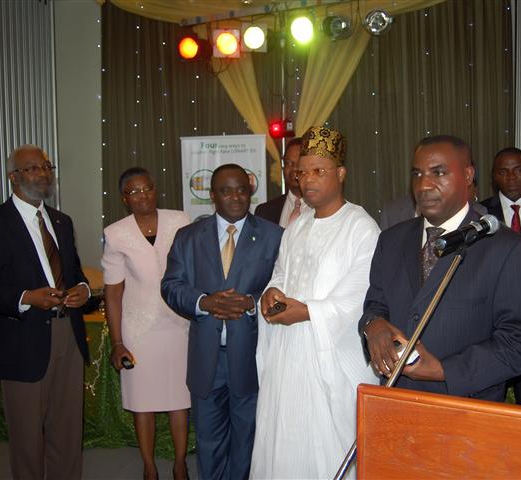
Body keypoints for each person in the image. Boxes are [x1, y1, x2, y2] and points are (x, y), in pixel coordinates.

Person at [359, 135, 521, 402]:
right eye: (417, 174)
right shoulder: (391, 240)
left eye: (438, 173)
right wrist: (373, 326)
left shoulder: (507, 248)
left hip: (464, 407)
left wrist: (446, 371)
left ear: (468, 175)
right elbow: (375, 305)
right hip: (396, 402)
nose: (423, 185)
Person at [251, 127, 380, 479]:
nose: (307, 180)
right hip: (287, 352)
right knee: (285, 439)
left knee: (327, 446)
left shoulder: (361, 228)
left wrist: (308, 312)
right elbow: (281, 273)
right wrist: (271, 293)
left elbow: (360, 295)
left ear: (341, 173)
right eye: (301, 172)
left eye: (318, 171)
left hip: (328, 357)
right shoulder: (298, 225)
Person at [161, 164, 282, 480]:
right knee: (209, 443)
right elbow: (171, 285)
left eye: (242, 189)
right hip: (207, 359)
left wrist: (251, 303)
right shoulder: (188, 237)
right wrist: (204, 302)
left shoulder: (274, 236)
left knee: (246, 443)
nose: (235, 197)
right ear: (212, 195)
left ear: (251, 192)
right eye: (226, 191)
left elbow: (286, 289)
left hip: (252, 358)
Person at [0, 145, 90, 479]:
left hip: (68, 335)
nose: (43, 173)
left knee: (68, 431)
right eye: (32, 168)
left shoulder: (61, 221)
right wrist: (27, 297)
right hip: (21, 339)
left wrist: (83, 291)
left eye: (46, 166)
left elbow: (76, 274)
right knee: (27, 437)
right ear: (13, 177)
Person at [102, 167, 191, 479]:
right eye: (134, 191)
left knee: (179, 399)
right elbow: (113, 292)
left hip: (178, 325)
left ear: (156, 190)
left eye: (147, 188)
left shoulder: (180, 221)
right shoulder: (115, 234)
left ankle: (180, 463)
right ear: (124, 198)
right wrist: (117, 342)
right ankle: (149, 466)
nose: (143, 196)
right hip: (138, 330)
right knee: (143, 403)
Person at [481, 147, 521, 245]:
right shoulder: (482, 211)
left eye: (519, 170)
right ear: (495, 177)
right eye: (502, 172)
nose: (511, 177)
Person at [254, 138, 310, 227]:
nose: (294, 168)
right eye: (289, 163)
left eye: (299, 163)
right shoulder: (264, 211)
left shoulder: (324, 208)